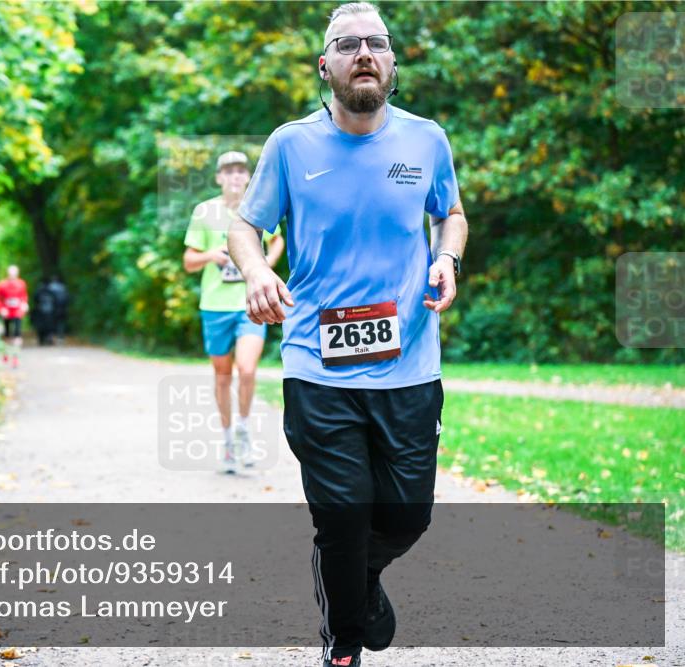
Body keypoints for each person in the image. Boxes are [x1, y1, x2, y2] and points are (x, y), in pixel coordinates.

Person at [227, 3, 468, 665]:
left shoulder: (426, 142)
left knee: (405, 516)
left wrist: (447, 257)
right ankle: (343, 644)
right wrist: (253, 269)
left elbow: (450, 214)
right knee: (341, 516)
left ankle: (355, 580)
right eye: (347, 43)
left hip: (411, 364)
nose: (364, 52)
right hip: (317, 363)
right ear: (324, 65)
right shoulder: (290, 144)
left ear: (392, 64)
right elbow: (245, 226)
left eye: (377, 43)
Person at [183, 150, 285, 474]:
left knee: (248, 369)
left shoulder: (257, 209)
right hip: (214, 305)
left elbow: (277, 241)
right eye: (229, 172)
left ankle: (243, 429)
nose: (235, 177)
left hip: (249, 304)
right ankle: (227, 439)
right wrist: (211, 255)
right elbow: (188, 261)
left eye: (241, 171)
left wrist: (263, 266)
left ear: (248, 177)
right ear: (219, 178)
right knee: (222, 375)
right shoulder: (204, 212)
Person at [0, 265, 28, 367]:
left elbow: (24, 296)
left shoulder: (21, 284)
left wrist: (24, 304)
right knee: (7, 334)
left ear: (17, 273)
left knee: (17, 335)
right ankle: (6, 353)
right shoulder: (2, 285)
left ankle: (16, 357)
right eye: (11, 273)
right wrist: (1, 309)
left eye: (14, 273)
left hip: (17, 313)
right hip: (7, 313)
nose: (12, 275)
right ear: (8, 273)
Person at [32, 279, 58, 346]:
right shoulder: (51, 292)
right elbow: (55, 301)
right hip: (49, 312)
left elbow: (35, 300)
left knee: (41, 327)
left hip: (41, 312)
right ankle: (48, 338)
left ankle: (42, 339)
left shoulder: (39, 291)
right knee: (50, 327)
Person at [46, 275, 69, 344]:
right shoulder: (63, 287)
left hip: (51, 309)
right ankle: (60, 338)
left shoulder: (49, 287)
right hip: (61, 308)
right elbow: (67, 298)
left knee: (51, 323)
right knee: (60, 323)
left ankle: (50, 337)